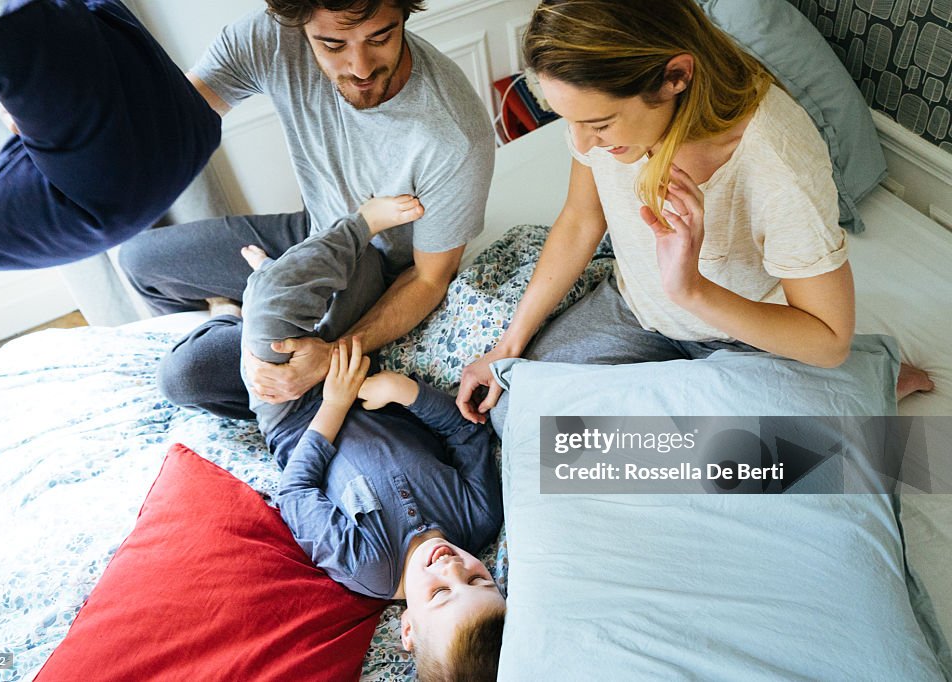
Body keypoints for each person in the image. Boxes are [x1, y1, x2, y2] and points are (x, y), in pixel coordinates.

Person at [457, 0, 933, 428]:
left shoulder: (777, 158)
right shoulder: (594, 115)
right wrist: (508, 345)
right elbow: (583, 219)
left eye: (599, 124)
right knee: (515, 415)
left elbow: (829, 342)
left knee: (752, 466)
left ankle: (867, 378)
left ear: (675, 77)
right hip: (637, 312)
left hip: (747, 336)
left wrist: (690, 289)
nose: (581, 145)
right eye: (571, 121)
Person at [117, 0, 495, 420]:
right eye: (333, 45)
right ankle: (240, 320)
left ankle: (249, 332)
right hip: (315, 234)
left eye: (381, 37)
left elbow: (428, 278)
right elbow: (176, 126)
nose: (362, 67)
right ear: (296, 24)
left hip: (374, 283)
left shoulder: (452, 133)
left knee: (184, 376)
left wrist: (331, 356)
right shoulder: (270, 37)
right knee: (139, 263)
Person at [240, 194, 505, 681]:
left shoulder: (366, 565)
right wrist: (406, 393)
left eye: (441, 594)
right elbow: (467, 436)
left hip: (298, 415)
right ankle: (265, 288)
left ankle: (264, 289)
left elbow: (296, 491)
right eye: (477, 578)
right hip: (366, 378)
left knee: (269, 323)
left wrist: (333, 404)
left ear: (407, 629)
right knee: (364, 267)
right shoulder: (479, 517)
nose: (452, 568)